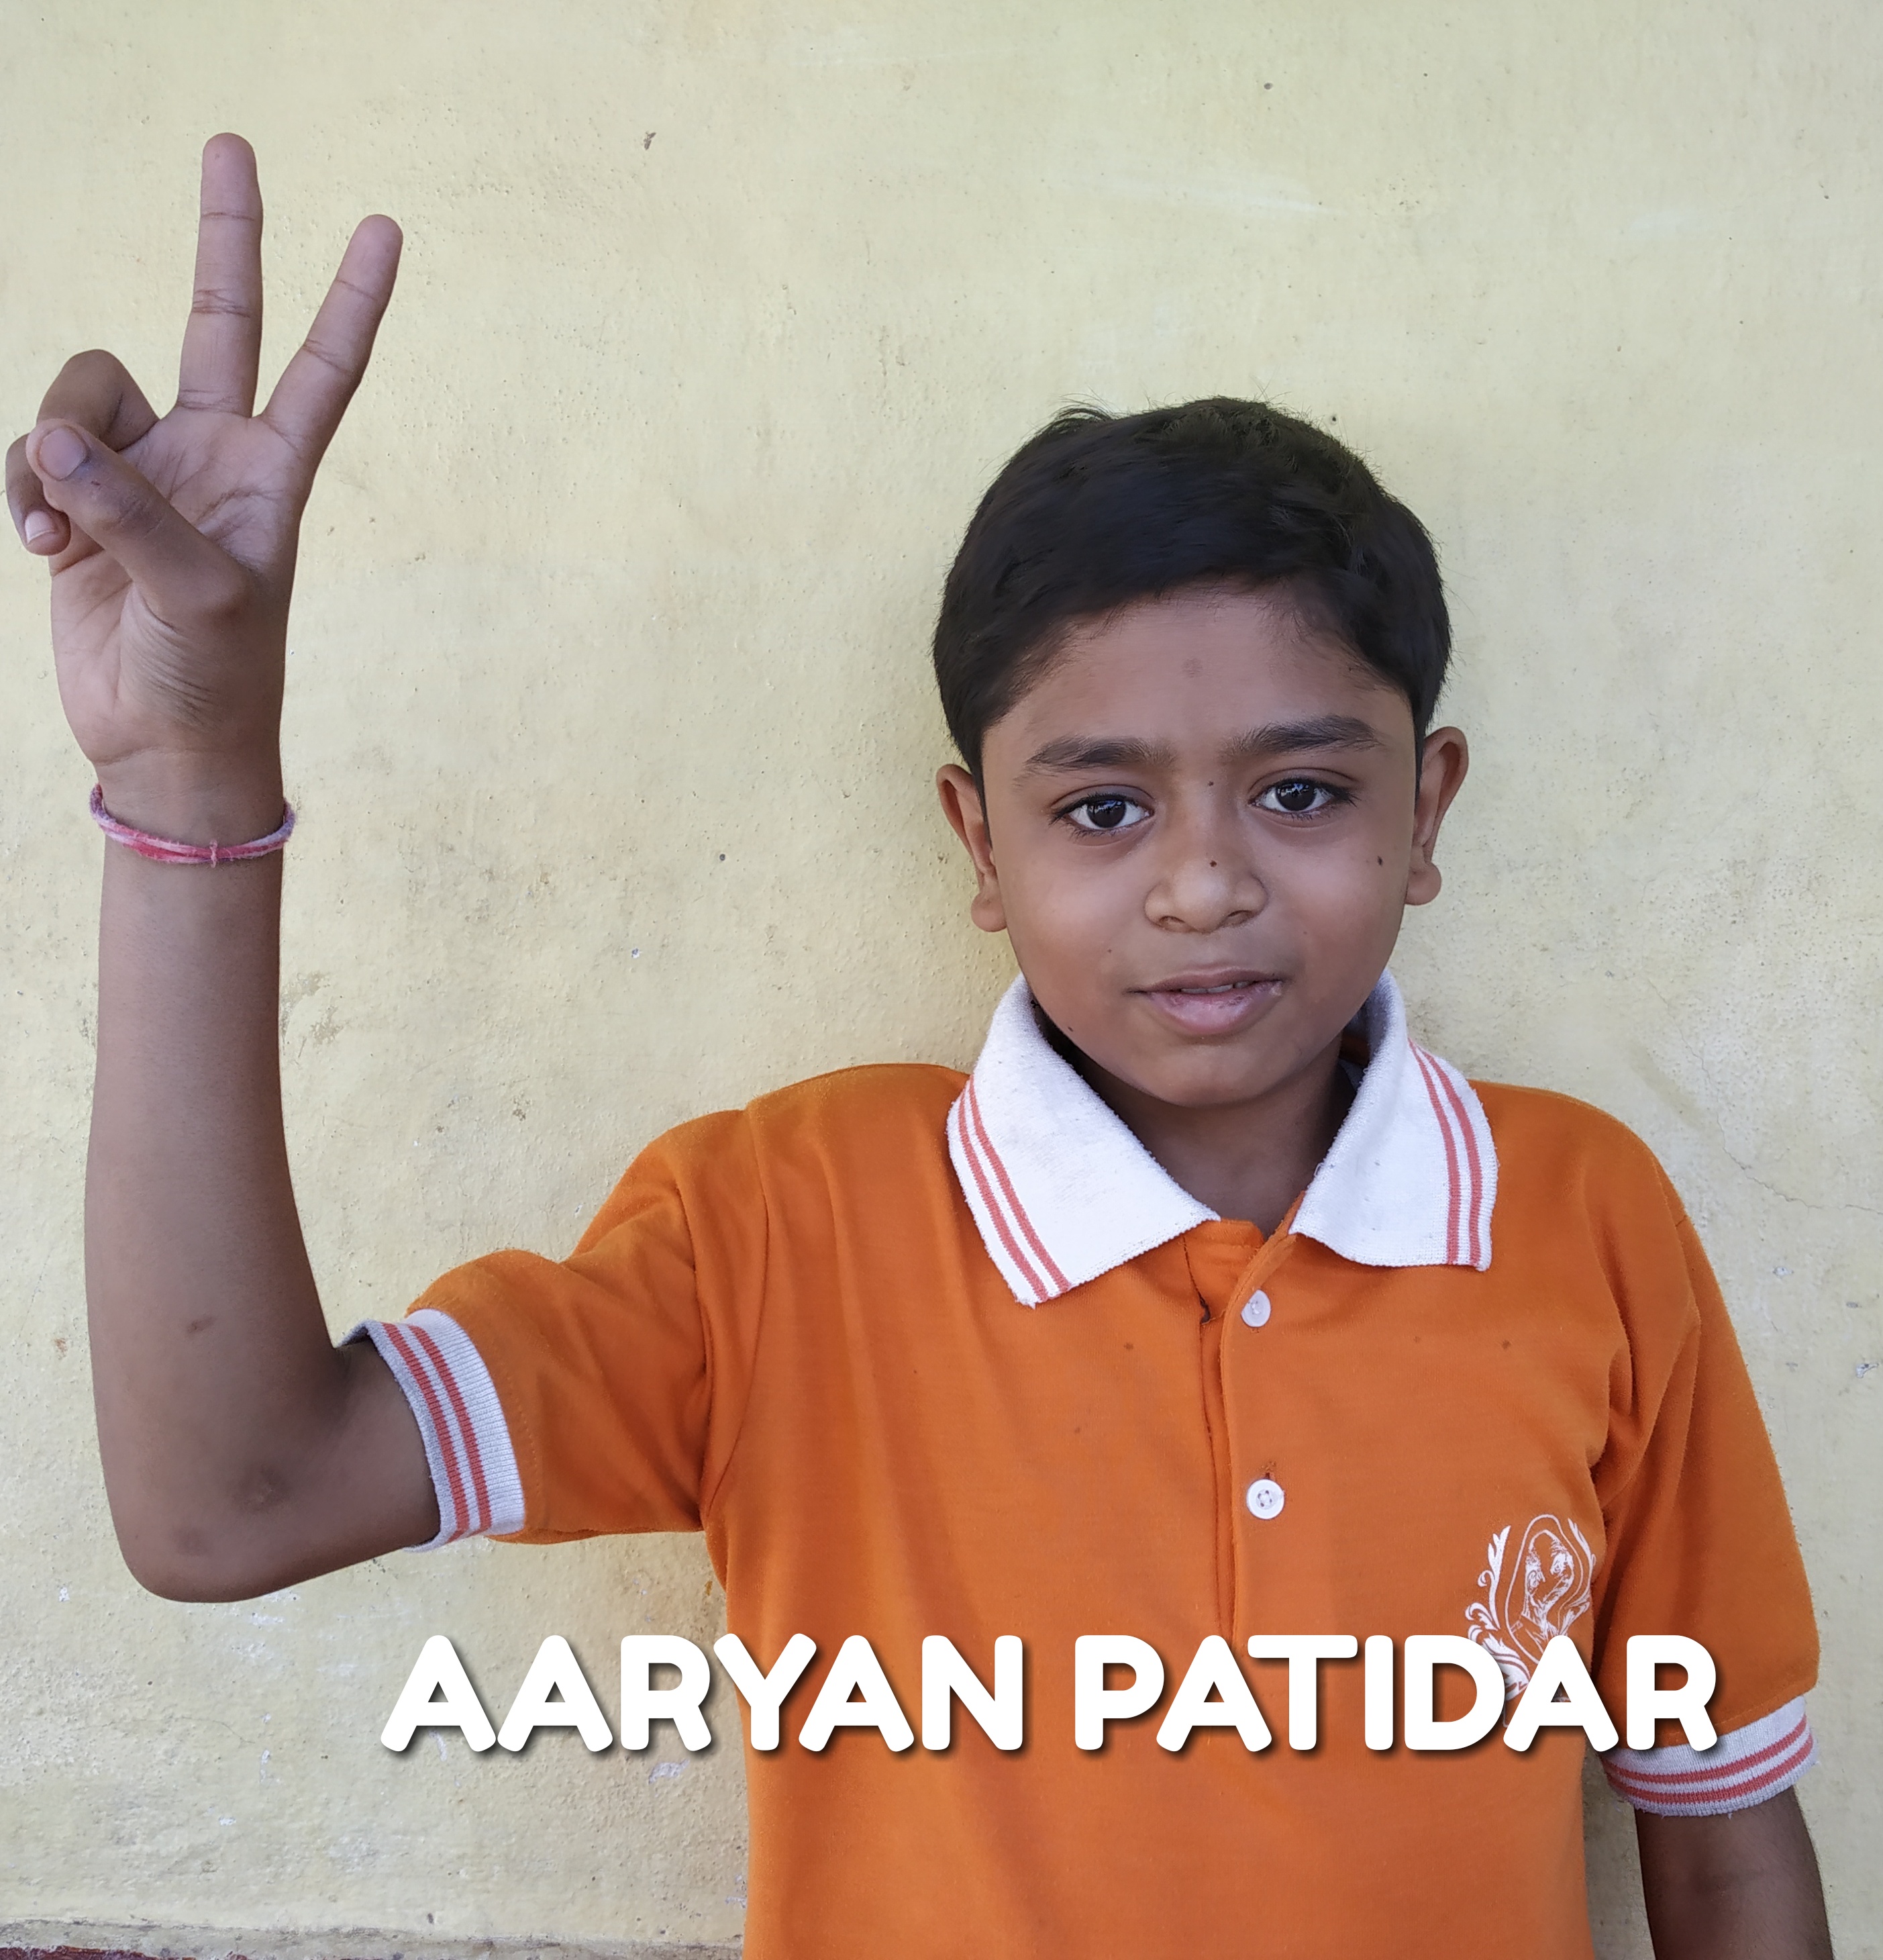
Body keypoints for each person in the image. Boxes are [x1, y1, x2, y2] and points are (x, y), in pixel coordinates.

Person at [5, 135, 1833, 1960]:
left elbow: (1726, 1836)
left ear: (1425, 810)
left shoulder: (1582, 1219)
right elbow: (228, 1505)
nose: (1205, 884)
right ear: (979, 842)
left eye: (1300, 791)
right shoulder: (776, 1232)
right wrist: (190, 775)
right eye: (1102, 809)